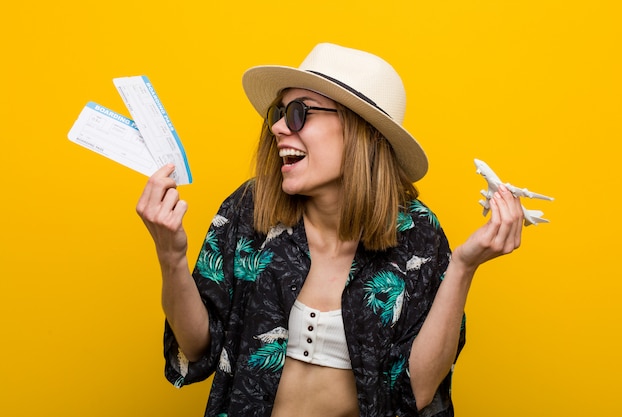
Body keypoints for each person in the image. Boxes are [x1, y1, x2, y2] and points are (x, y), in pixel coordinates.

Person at [136, 43, 524, 417]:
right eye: (279, 112)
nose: (277, 128)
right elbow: (197, 346)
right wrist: (170, 257)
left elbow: (417, 393)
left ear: (363, 131)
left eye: (299, 113)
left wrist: (463, 266)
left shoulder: (417, 234)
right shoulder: (248, 210)